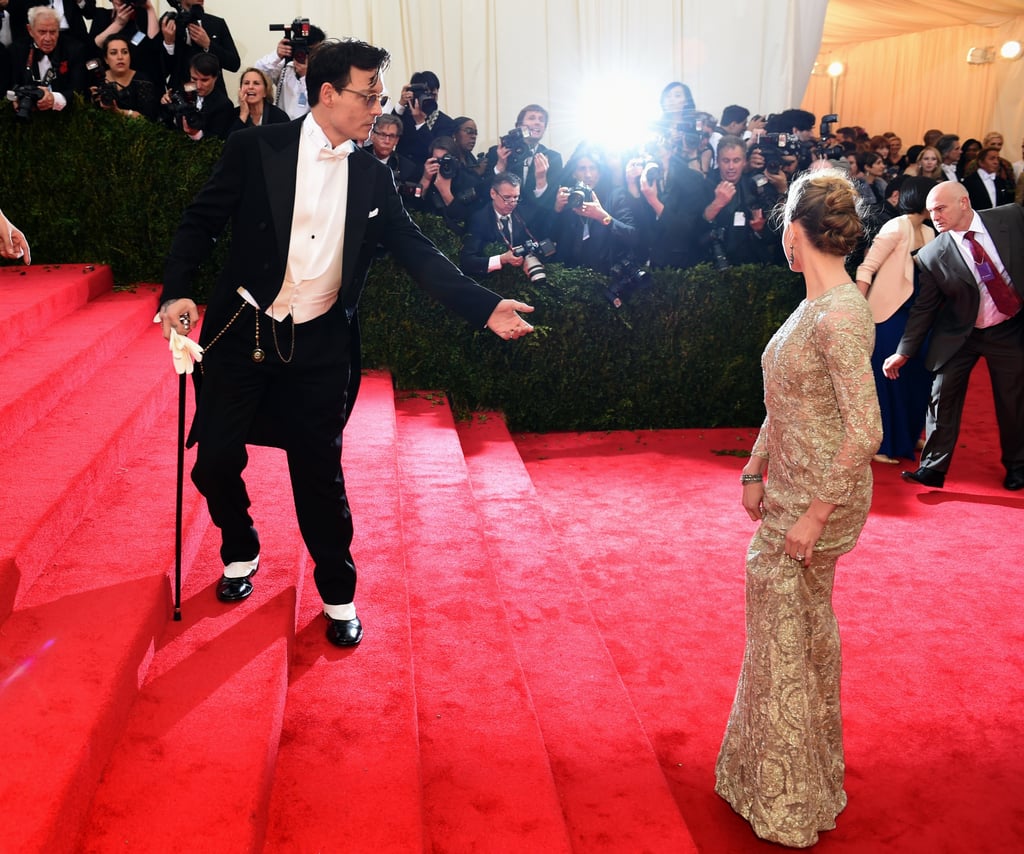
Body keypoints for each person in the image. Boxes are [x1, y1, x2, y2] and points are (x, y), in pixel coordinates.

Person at [157, 38, 534, 649]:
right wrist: (177, 291)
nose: (378, 109)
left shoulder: (374, 176)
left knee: (319, 475)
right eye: (369, 95)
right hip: (243, 330)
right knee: (214, 460)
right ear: (328, 94)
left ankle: (338, 591)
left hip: (320, 347)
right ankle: (241, 543)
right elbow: (201, 219)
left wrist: (485, 306)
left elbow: (417, 253)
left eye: (381, 96)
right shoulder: (257, 147)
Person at [716, 168, 881, 849]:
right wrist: (755, 466)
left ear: (793, 232)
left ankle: (789, 800)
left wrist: (814, 514)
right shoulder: (816, 304)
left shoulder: (839, 312)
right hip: (789, 485)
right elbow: (787, 405)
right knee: (798, 631)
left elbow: (865, 429)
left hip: (817, 501)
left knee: (787, 631)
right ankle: (785, 771)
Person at [883, 183, 1024, 491]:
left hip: (1009, 327)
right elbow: (925, 308)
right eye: (931, 211)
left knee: (1012, 402)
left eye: (940, 208)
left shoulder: (1012, 218)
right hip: (961, 333)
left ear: (964, 202)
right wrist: (904, 351)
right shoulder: (932, 254)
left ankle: (1018, 466)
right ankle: (932, 469)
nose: (934, 216)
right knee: (941, 396)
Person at [855, 176, 937, 463]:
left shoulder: (929, 233)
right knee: (889, 380)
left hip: (918, 317)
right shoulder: (896, 226)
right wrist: (857, 309)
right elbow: (866, 268)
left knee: (919, 374)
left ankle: (910, 433)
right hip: (888, 316)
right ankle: (884, 443)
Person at [9, 4, 86, 114]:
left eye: (53, 32)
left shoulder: (75, 49)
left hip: (65, 116)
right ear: (30, 30)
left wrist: (55, 98)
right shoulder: (16, 51)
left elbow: (79, 88)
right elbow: (10, 85)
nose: (48, 38)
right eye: (42, 32)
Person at [158, 0, 238, 91]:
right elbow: (161, 72)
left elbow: (234, 64)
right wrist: (169, 43)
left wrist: (208, 44)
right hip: (179, 95)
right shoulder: (169, 25)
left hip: (213, 97)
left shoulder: (217, 23)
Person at [253, 21, 325, 120]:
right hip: (282, 124)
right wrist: (277, 55)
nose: (311, 54)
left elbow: (321, 102)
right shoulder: (286, 66)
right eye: (307, 50)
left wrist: (305, 77)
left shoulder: (324, 69)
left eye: (316, 50)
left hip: (309, 127)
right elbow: (257, 73)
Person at [160, 51, 233, 140]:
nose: (198, 86)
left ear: (216, 77)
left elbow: (217, 141)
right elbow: (165, 122)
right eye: (194, 79)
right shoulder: (182, 92)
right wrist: (165, 103)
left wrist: (196, 134)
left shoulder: (224, 105)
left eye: (204, 80)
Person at [89, 33, 157, 120]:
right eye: (113, 53)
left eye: (124, 52)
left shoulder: (142, 80)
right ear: (106, 59)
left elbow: (148, 118)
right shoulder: (97, 79)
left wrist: (118, 111)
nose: (120, 57)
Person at [227, 66, 288, 135]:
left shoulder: (279, 117)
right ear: (240, 89)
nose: (250, 87)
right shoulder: (233, 115)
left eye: (256, 83)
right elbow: (229, 142)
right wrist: (243, 114)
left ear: (265, 91)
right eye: (246, 83)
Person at [962, 146, 1015, 210]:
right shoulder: (969, 182)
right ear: (981, 162)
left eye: (998, 159)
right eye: (992, 159)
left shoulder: (1000, 181)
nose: (996, 162)